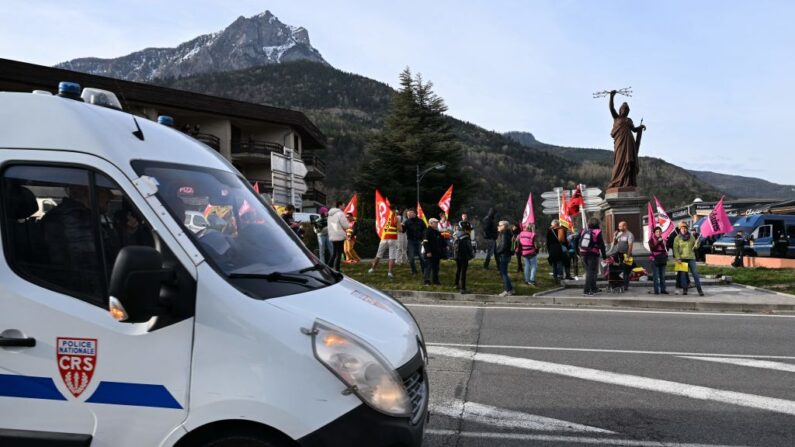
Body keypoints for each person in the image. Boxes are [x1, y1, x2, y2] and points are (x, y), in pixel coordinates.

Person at [368, 206, 401, 278]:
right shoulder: (396, 217)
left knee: (378, 254)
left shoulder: (384, 216)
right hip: (393, 238)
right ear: (395, 210)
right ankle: (390, 272)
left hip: (384, 237)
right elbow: (399, 229)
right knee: (392, 256)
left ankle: (372, 269)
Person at [673, 221, 703, 296]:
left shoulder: (691, 237)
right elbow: (675, 249)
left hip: (691, 258)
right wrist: (678, 258)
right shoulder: (677, 238)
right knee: (683, 276)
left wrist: (698, 242)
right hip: (682, 259)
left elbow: (696, 247)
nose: (684, 229)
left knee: (695, 274)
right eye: (682, 228)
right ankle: (685, 290)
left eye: (685, 228)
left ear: (687, 229)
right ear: (680, 229)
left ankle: (700, 290)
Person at [579, 217, 607, 296]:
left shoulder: (584, 230)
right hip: (593, 254)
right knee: (591, 272)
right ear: (598, 224)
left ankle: (594, 288)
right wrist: (604, 256)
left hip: (583, 253)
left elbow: (576, 240)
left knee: (591, 272)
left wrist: (578, 252)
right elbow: (601, 245)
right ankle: (587, 290)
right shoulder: (598, 232)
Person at [610, 221, 635, 291]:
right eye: (619, 226)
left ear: (625, 226)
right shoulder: (619, 233)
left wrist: (628, 256)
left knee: (626, 271)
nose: (619, 228)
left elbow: (630, 246)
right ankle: (621, 284)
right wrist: (614, 236)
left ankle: (625, 286)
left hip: (626, 254)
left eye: (620, 226)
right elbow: (615, 243)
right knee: (620, 270)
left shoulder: (629, 234)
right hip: (619, 254)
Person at [452, 221, 475, 293]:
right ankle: (463, 288)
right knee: (463, 272)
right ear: (465, 229)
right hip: (464, 256)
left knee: (458, 269)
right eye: (469, 230)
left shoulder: (456, 234)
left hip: (457, 255)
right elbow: (469, 248)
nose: (470, 231)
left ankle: (456, 284)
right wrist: (471, 255)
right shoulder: (466, 237)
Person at [326, 202, 349, 271]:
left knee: (334, 253)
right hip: (339, 235)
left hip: (332, 235)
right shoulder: (340, 214)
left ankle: (328, 267)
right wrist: (347, 221)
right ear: (340, 206)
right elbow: (346, 226)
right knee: (339, 253)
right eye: (344, 205)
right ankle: (337, 268)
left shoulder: (330, 214)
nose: (344, 207)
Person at [403, 209, 427, 275]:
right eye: (407, 214)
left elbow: (425, 230)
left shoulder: (421, 221)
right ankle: (414, 271)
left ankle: (424, 271)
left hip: (420, 241)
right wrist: (401, 226)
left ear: (414, 214)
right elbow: (403, 231)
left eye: (410, 214)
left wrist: (424, 239)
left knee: (422, 257)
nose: (408, 215)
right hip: (411, 241)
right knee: (411, 258)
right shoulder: (406, 222)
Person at [422, 218, 445, 286]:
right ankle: (426, 281)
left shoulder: (436, 232)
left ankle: (435, 281)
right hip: (429, 253)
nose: (437, 224)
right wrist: (428, 252)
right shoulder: (427, 231)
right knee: (428, 267)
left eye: (437, 223)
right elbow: (425, 242)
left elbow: (442, 240)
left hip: (436, 253)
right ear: (430, 223)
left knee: (436, 268)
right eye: (435, 223)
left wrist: (445, 246)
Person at [495, 220, 515, 296]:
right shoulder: (507, 233)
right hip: (506, 255)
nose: (498, 227)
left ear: (503, 226)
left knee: (504, 273)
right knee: (505, 273)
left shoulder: (504, 234)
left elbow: (504, 245)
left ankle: (507, 290)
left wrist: (498, 251)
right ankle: (511, 289)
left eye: (499, 225)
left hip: (504, 255)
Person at [648, 226, 669, 295]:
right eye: (657, 231)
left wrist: (663, 242)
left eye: (660, 231)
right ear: (654, 233)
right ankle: (656, 290)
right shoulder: (651, 240)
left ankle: (663, 289)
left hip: (662, 258)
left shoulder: (663, 240)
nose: (658, 233)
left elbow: (666, 249)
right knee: (656, 275)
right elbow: (653, 249)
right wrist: (658, 242)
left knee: (662, 275)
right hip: (655, 259)